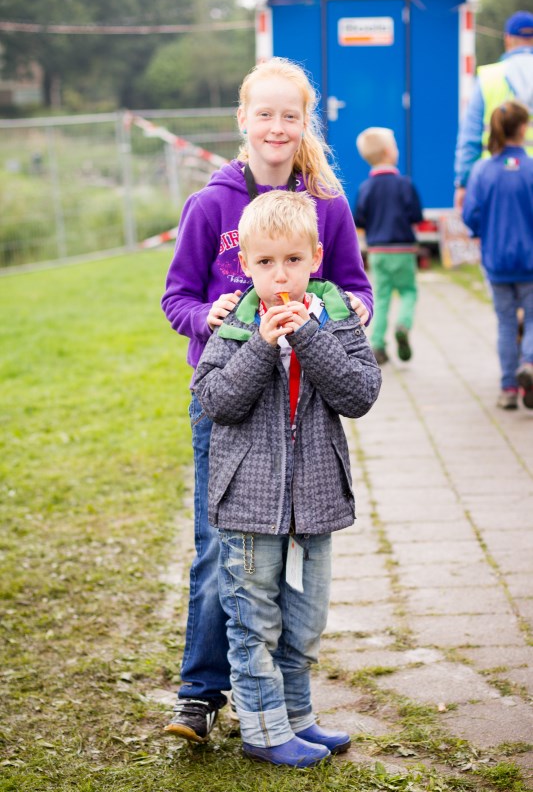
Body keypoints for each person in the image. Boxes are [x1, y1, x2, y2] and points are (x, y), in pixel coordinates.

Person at [161, 56, 374, 743]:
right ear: (242, 121)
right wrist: (213, 317)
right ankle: (199, 695)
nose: (276, 127)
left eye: (291, 115)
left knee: (288, 565)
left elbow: (354, 283)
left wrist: (353, 319)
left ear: (304, 122)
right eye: (264, 114)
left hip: (303, 397)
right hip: (226, 392)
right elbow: (175, 298)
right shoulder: (210, 204)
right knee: (214, 549)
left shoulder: (328, 204)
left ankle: (282, 705)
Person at [193, 190, 381, 767]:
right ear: (246, 265)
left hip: (314, 502)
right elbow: (216, 400)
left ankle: (298, 718)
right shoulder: (235, 322)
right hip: (248, 505)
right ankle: (263, 728)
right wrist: (262, 342)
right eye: (267, 263)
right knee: (254, 622)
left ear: (316, 258)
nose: (281, 276)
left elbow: (360, 393)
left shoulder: (334, 317)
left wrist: (307, 336)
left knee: (304, 620)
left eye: (293, 261)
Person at [462, 100, 533, 410]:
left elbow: (471, 215)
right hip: (530, 261)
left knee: (505, 323)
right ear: (523, 128)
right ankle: (529, 363)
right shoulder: (530, 168)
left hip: (497, 261)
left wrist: (484, 232)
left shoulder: (482, 170)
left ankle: (508, 388)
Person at [353, 127, 422, 366]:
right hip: (403, 249)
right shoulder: (405, 184)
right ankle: (403, 324)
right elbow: (416, 214)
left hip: (378, 251)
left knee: (381, 296)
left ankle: (379, 345)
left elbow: (359, 219)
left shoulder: (365, 188)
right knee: (408, 291)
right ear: (388, 152)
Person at [454, 9, 533, 210]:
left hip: (494, 181)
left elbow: (470, 136)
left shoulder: (489, 78)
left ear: (507, 39)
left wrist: (462, 183)